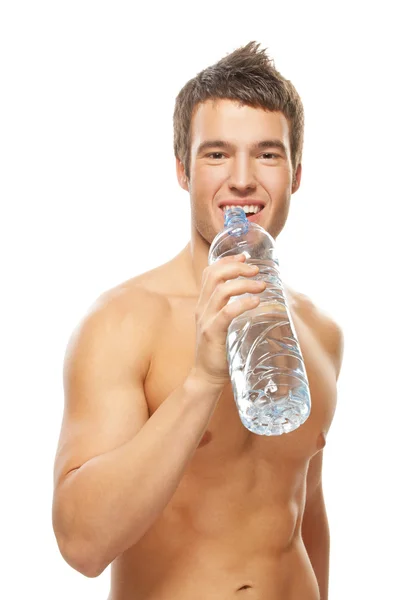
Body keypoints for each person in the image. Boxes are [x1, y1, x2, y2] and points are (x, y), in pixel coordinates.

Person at [52, 41, 344, 600]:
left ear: (296, 173)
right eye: (216, 154)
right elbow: (81, 544)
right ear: (183, 171)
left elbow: (304, 519)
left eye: (266, 154)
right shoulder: (123, 322)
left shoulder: (321, 333)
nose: (241, 179)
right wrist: (201, 380)